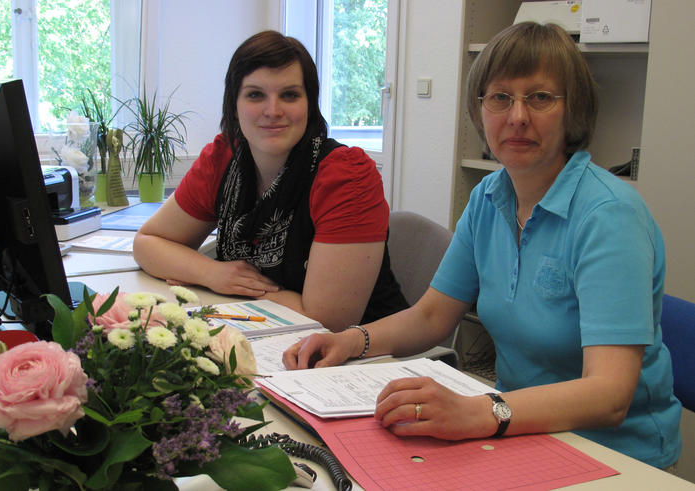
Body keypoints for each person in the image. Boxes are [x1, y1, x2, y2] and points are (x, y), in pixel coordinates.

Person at [283, 22, 681, 469]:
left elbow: (609, 395)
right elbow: (433, 315)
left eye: (541, 97)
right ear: (480, 109)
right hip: (520, 431)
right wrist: (351, 341)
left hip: (615, 456)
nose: (517, 117)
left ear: (574, 112)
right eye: (500, 97)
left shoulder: (609, 215)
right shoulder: (489, 197)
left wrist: (476, 410)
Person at [133, 30, 408, 332]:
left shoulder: (346, 177)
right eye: (255, 95)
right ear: (234, 106)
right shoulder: (224, 158)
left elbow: (329, 319)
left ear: (309, 104)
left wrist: (239, 287)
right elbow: (148, 243)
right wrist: (212, 273)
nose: (273, 111)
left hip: (365, 356)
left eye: (290, 95)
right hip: (262, 331)